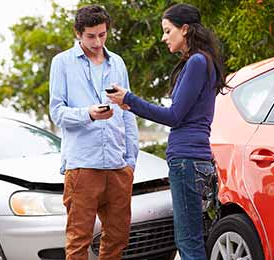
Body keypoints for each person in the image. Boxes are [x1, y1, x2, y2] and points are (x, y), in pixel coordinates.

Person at [107, 3, 228, 259]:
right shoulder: (203, 62)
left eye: (167, 31)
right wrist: (130, 103)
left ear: (184, 29)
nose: (163, 38)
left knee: (188, 240)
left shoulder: (196, 62)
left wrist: (131, 99)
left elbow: (174, 116)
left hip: (186, 160)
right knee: (195, 237)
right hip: (196, 159)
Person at [49, 4, 138, 260]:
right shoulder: (62, 63)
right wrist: (89, 113)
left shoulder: (117, 63)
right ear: (78, 33)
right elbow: (57, 112)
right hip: (82, 166)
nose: (98, 42)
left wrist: (131, 161)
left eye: (102, 34)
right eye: (91, 36)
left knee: (118, 238)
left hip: (118, 165)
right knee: (78, 241)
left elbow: (127, 111)